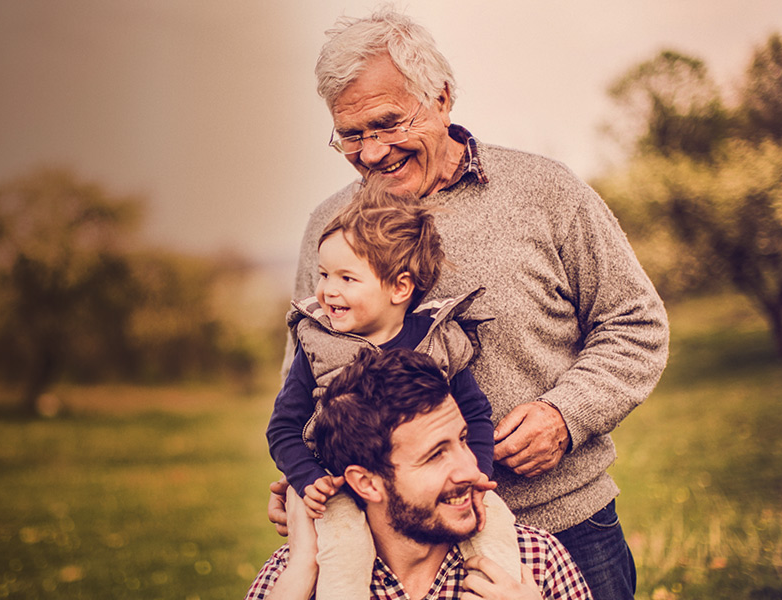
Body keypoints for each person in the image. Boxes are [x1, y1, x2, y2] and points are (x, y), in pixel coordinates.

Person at [257, 8, 669, 600]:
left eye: (388, 123)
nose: (371, 152)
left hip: (561, 522)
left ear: (442, 98)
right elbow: (311, 374)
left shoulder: (545, 192)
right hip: (391, 552)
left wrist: (565, 414)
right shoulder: (329, 228)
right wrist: (308, 474)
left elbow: (636, 323)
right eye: (351, 134)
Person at [266, 180, 519, 598]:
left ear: (400, 288)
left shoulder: (436, 339)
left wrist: (476, 473)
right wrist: (307, 478)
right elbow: (283, 427)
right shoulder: (317, 344)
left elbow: (474, 413)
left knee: (496, 529)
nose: (328, 290)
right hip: (340, 487)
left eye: (347, 278)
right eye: (324, 274)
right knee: (344, 551)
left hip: (435, 492)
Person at [259, 348, 594, 600]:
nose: (470, 470)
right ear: (367, 483)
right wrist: (301, 572)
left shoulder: (534, 561)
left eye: (463, 439)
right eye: (435, 455)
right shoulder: (295, 577)